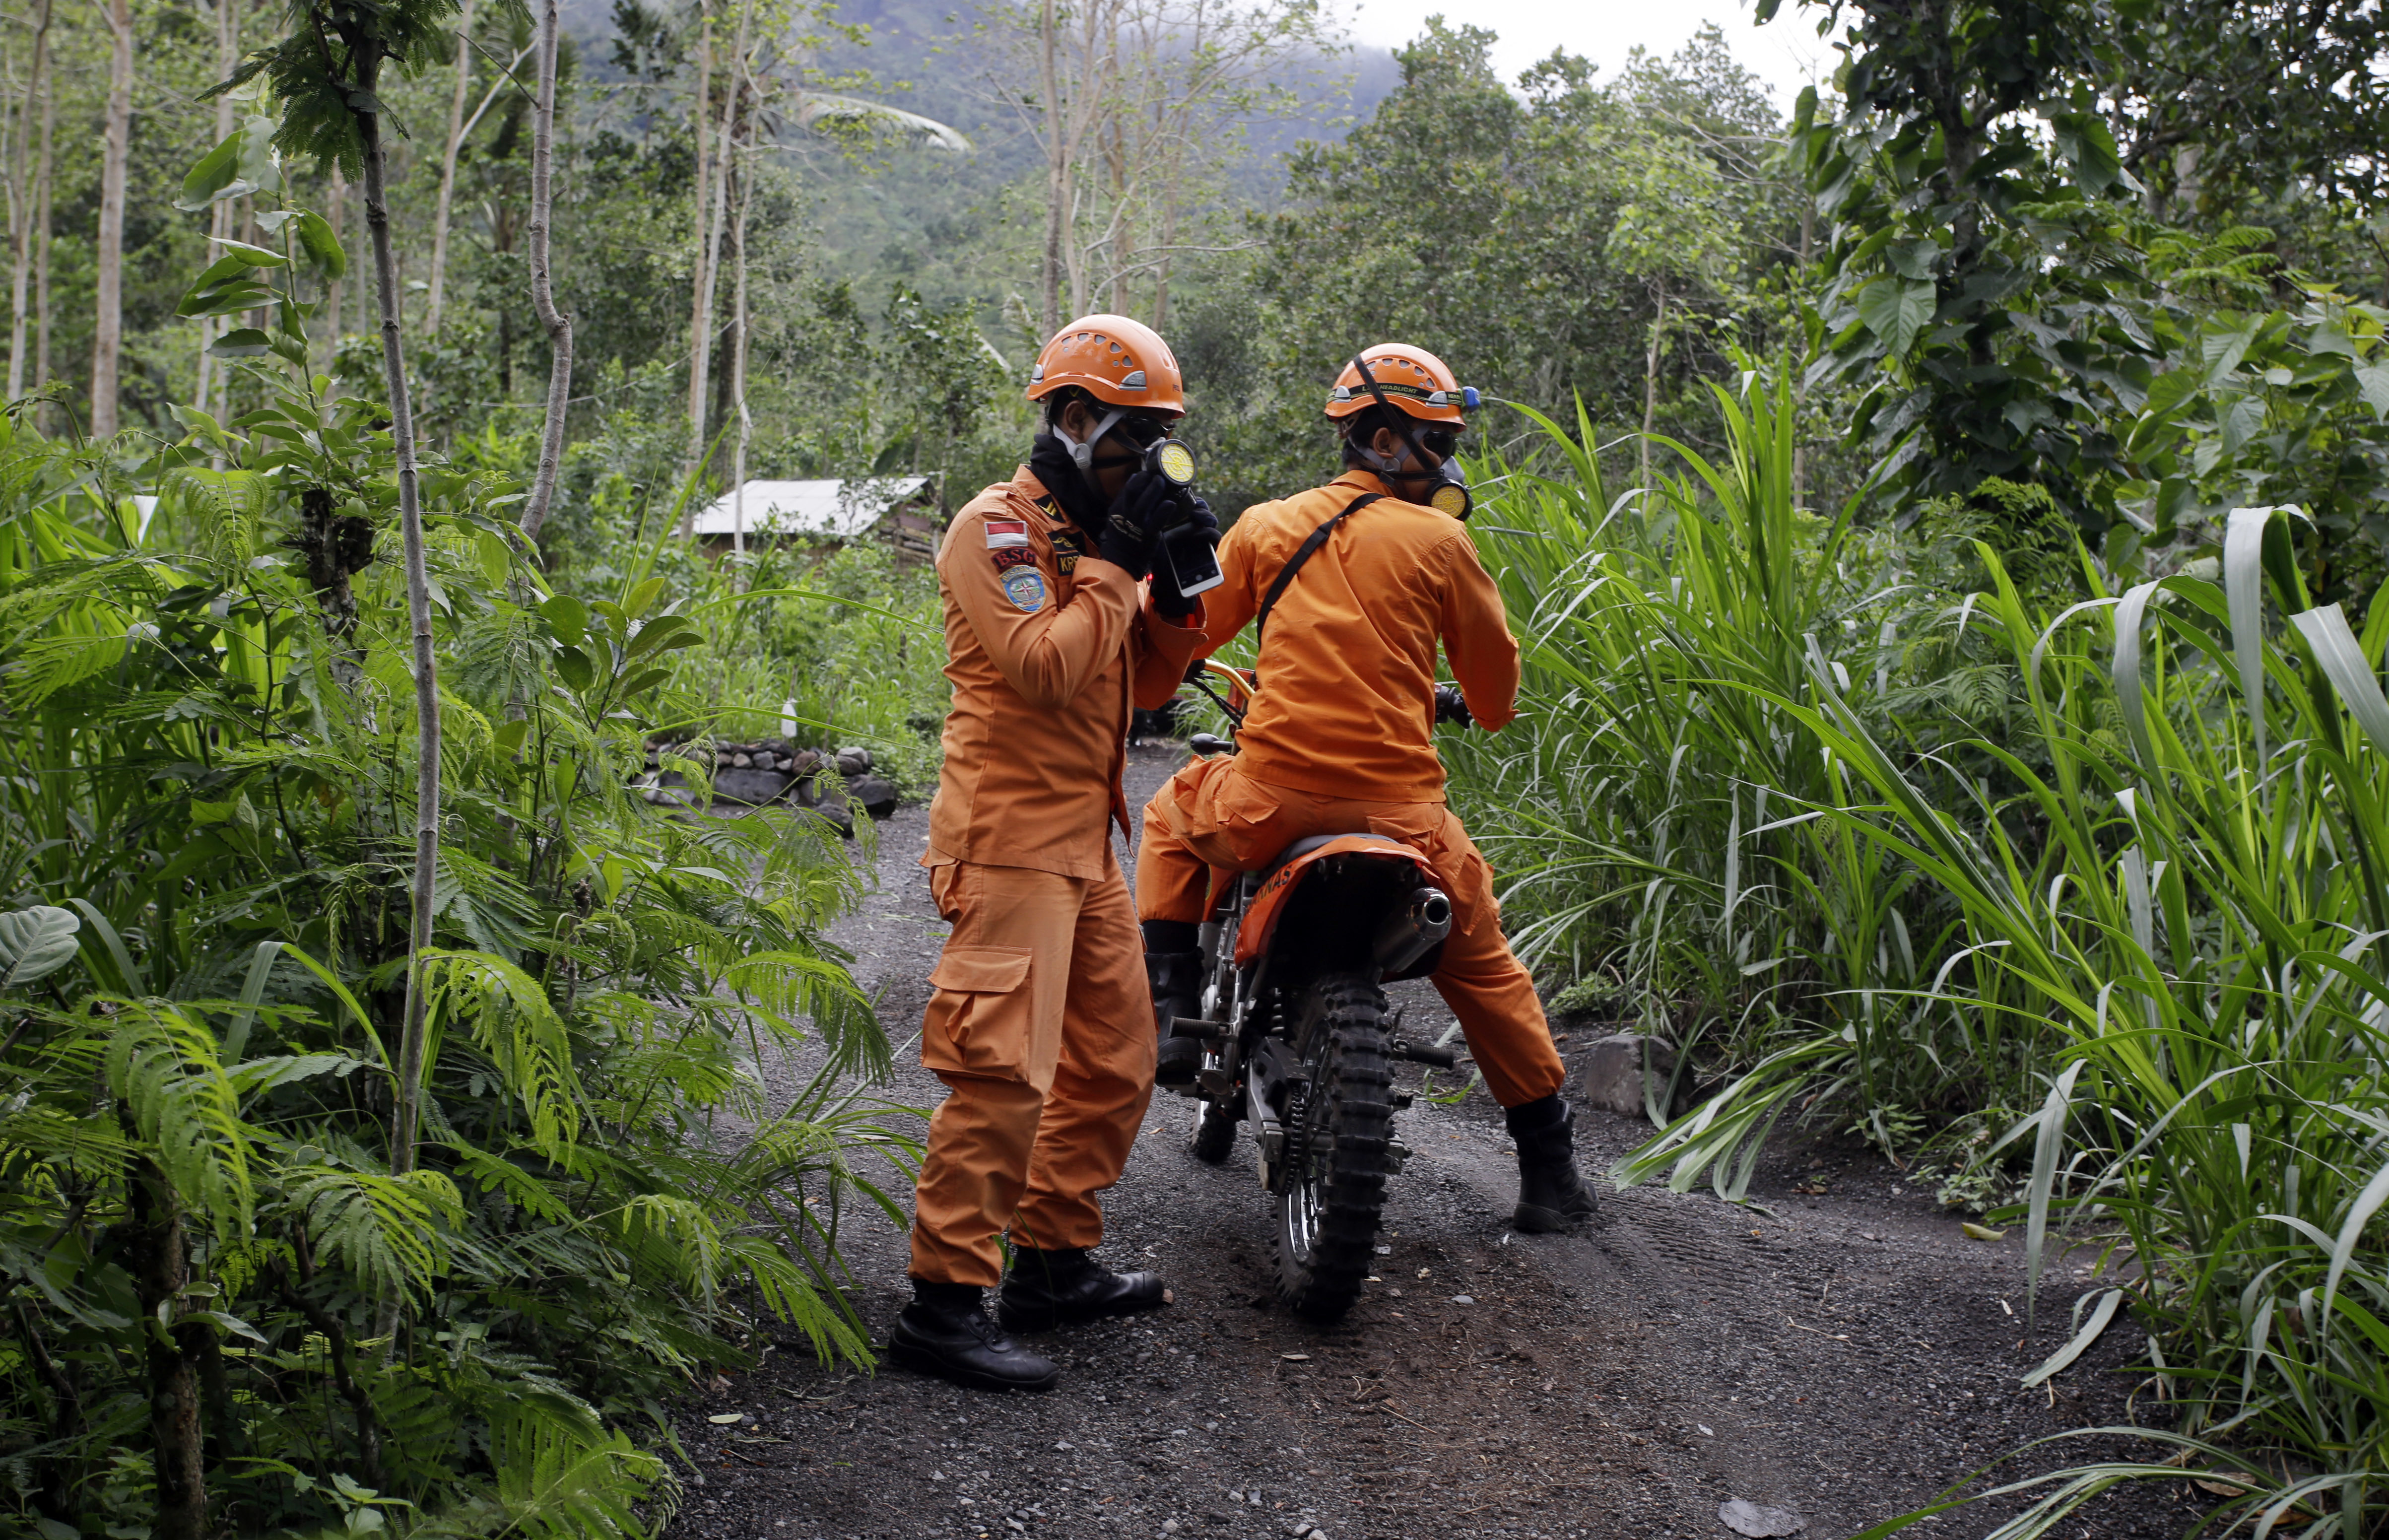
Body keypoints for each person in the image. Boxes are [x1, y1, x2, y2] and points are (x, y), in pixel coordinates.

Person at [1134, 342, 1598, 1234]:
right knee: (1486, 967)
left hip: (1270, 804)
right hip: (1405, 820)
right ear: (1384, 440)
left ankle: (1167, 1009)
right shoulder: (1442, 539)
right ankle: (1549, 1169)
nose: (1444, 459)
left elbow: (1187, 641)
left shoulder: (1267, 526)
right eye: (1435, 439)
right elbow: (1496, 701)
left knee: (1170, 810)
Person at [890, 315, 1221, 1394]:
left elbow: (1152, 687)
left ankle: (1051, 1261)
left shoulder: (1094, 541)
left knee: (1117, 1058)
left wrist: (1177, 583)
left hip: (1084, 845)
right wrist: (1120, 565)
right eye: (1136, 439)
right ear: (1074, 421)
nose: (1144, 462)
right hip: (1005, 842)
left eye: (1161, 442)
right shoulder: (996, 530)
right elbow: (1042, 669)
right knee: (1002, 1075)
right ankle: (943, 1303)